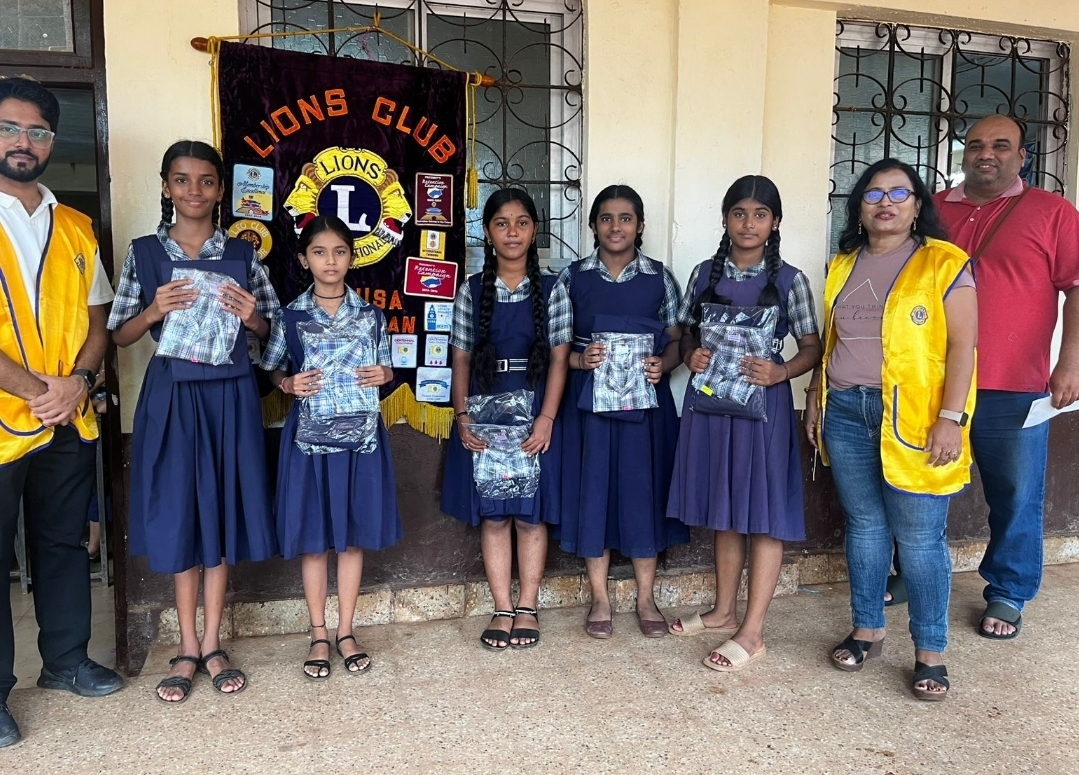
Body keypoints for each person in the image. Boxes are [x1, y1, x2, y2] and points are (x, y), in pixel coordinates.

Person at [109, 140, 279, 704]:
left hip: (230, 394)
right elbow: (118, 334)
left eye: (206, 181)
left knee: (222, 510)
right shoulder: (144, 253)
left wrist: (252, 317)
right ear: (165, 187)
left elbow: (273, 332)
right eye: (182, 181)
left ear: (221, 190)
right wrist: (154, 310)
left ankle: (212, 643)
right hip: (173, 396)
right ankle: (184, 646)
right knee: (183, 512)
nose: (194, 191)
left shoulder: (241, 253)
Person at [804, 158, 977, 701]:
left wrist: (951, 419)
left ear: (918, 205)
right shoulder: (842, 263)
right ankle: (867, 630)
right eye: (874, 194)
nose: (885, 202)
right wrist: (815, 400)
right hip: (847, 411)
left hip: (916, 418)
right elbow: (831, 344)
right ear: (859, 207)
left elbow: (963, 348)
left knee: (921, 540)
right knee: (865, 526)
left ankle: (930, 653)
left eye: (898, 193)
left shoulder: (943, 262)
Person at [0, 76, 123, 747]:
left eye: (38, 131)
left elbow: (99, 322)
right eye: (12, 128)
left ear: (52, 141)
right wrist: (33, 387)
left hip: (67, 416)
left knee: (62, 544)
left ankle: (67, 661)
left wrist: (75, 381)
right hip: (5, 418)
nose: (24, 142)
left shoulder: (75, 226)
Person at [931, 114, 1079, 639]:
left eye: (1000, 145)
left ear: (1023, 156)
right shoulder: (934, 209)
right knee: (921, 486)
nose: (985, 153)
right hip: (934, 381)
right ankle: (914, 573)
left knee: (1015, 493)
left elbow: (1076, 286)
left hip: (1014, 383)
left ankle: (1009, 591)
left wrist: (1070, 361)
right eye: (974, 145)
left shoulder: (1052, 212)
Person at [667, 176, 822, 672]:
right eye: (739, 213)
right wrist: (690, 355)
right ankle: (723, 610)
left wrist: (781, 372)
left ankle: (752, 631)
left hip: (762, 411)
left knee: (763, 510)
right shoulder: (703, 274)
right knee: (726, 506)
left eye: (760, 214)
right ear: (725, 219)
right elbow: (687, 333)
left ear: (775, 222)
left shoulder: (790, 281)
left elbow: (813, 346)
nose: (748, 223)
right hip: (712, 407)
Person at [262, 215, 401, 677]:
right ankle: (318, 632)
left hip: (359, 439)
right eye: (320, 252)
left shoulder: (370, 316)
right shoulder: (292, 315)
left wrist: (387, 375)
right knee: (315, 541)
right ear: (304, 260)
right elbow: (272, 370)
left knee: (353, 536)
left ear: (352, 257)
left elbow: (385, 373)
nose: (330, 261)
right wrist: (287, 382)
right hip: (309, 442)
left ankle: (346, 630)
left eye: (340, 251)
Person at [554, 184, 688, 639]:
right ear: (593, 225)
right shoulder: (572, 278)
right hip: (591, 406)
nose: (616, 226)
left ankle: (646, 597)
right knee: (594, 493)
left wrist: (663, 363)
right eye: (606, 218)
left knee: (642, 492)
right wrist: (579, 359)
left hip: (646, 407)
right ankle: (600, 597)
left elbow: (677, 339)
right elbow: (556, 346)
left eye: (625, 218)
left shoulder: (659, 277)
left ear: (641, 226)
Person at [441, 188, 570, 651]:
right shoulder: (471, 291)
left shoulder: (555, 289)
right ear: (487, 232)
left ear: (535, 230)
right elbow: (459, 360)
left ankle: (528, 605)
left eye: (521, 223)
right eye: (501, 223)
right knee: (494, 516)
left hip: (535, 406)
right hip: (486, 408)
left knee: (531, 517)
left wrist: (547, 418)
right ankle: (501, 605)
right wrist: (462, 416)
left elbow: (559, 360)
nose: (512, 232)